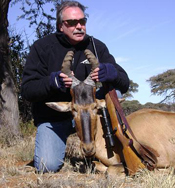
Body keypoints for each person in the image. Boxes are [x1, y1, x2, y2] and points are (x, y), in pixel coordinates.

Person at [21, 0, 129, 173]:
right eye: (71, 23)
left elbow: (125, 83)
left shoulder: (96, 46)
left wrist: (111, 72)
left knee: (113, 91)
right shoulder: (42, 47)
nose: (78, 26)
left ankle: (114, 149)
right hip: (55, 117)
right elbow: (27, 89)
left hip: (90, 114)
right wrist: (52, 82)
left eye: (82, 21)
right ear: (60, 26)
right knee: (47, 166)